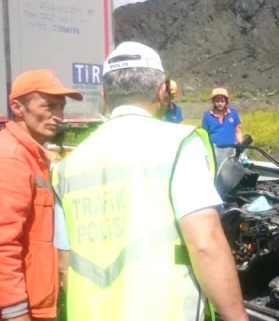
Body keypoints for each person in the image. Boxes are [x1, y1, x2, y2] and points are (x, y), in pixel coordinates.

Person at [51, 41, 248, 321]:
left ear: (105, 96)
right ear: (161, 92)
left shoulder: (66, 167)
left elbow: (64, 265)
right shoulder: (179, 144)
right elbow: (205, 244)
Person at [0, 69, 83, 321]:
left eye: (61, 107)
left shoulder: (35, 155)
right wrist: (16, 313)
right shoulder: (11, 158)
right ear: (17, 107)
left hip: (38, 304)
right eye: (48, 106)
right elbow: (3, 245)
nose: (57, 116)